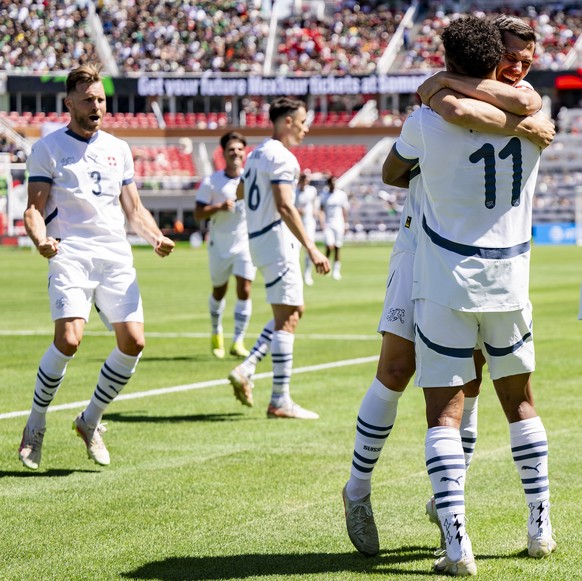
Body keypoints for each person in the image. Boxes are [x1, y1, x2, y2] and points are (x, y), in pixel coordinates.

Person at [342, 15, 556, 566]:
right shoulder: (518, 117)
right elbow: (475, 118)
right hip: (422, 246)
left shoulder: (501, 104)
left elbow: (474, 109)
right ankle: (358, 488)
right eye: (510, 56)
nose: (518, 67)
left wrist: (442, 88)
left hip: (455, 259)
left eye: (527, 60)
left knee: (465, 386)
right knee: (395, 369)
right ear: (489, 59)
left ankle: (448, 513)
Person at [18, 64, 175, 470]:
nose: (97, 106)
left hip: (115, 255)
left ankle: (90, 421)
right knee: (69, 339)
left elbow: (134, 209)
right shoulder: (48, 147)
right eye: (88, 100)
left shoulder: (118, 148)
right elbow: (33, 209)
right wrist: (41, 241)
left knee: (134, 343)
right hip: (69, 252)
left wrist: (155, 237)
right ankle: (35, 425)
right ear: (69, 103)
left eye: (101, 99)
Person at [227, 96, 330, 419]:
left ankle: (248, 367)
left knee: (292, 309)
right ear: (287, 121)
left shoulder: (256, 153)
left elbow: (239, 194)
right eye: (302, 122)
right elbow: (285, 205)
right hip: (278, 241)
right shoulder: (283, 158)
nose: (305, 128)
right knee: (289, 317)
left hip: (259, 241)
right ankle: (280, 399)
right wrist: (312, 248)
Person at [194, 131, 256, 359]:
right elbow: (198, 213)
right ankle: (216, 331)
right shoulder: (212, 181)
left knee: (245, 289)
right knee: (219, 292)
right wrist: (218, 207)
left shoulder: (251, 179)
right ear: (224, 153)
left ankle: (238, 340)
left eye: (240, 149)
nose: (236, 153)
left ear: (245, 152)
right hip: (219, 245)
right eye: (231, 149)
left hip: (244, 244)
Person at [319, 174, 350, 280]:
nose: (333, 184)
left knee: (337, 247)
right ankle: (326, 267)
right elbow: (321, 210)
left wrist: (346, 223)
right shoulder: (324, 194)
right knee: (329, 246)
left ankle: (336, 271)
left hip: (339, 223)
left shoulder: (341, 195)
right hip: (328, 224)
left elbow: (344, 210)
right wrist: (322, 223)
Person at [294, 170, 319, 286]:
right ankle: (296, 274)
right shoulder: (294, 191)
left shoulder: (312, 191)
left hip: (309, 223)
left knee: (309, 249)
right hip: (297, 223)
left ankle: (307, 274)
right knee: (296, 250)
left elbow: (315, 203)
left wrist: (314, 211)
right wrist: (297, 211)